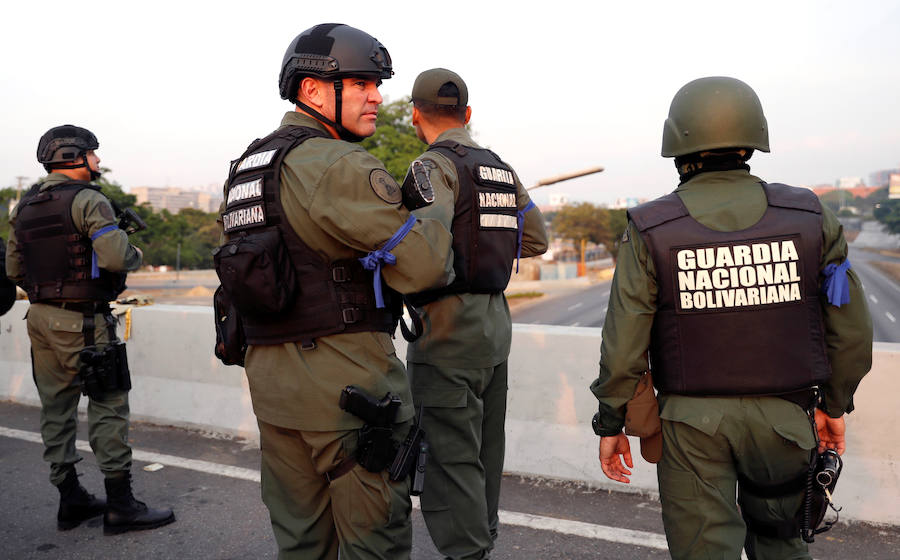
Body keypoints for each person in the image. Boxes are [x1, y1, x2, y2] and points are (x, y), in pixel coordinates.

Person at [589, 76, 873, 560]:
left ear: (677, 144)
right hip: (787, 419)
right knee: (782, 547)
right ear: (751, 140)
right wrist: (836, 404)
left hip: (690, 426)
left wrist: (611, 421)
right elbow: (850, 329)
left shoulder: (650, 228)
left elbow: (624, 345)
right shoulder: (808, 215)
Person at [214, 25, 453, 560]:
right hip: (348, 398)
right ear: (313, 90)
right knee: (376, 544)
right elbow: (425, 269)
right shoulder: (339, 164)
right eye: (361, 82)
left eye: (376, 84)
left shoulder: (247, 169)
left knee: (301, 543)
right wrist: (431, 208)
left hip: (275, 393)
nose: (377, 96)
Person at [403, 68, 548, 560]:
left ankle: (469, 553)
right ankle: (484, 539)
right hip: (494, 330)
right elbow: (536, 240)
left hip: (446, 332)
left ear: (416, 117)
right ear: (467, 115)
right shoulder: (501, 169)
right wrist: (487, 250)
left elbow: (423, 250)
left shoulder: (430, 167)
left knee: (450, 460)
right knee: (487, 453)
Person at [6, 125, 175, 534]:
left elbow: (13, 270)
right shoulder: (88, 200)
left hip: (40, 320)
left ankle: (71, 499)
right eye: (94, 155)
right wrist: (132, 250)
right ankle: (121, 506)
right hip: (84, 322)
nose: (98, 161)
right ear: (73, 157)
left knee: (56, 408)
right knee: (108, 405)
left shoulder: (24, 207)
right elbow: (117, 258)